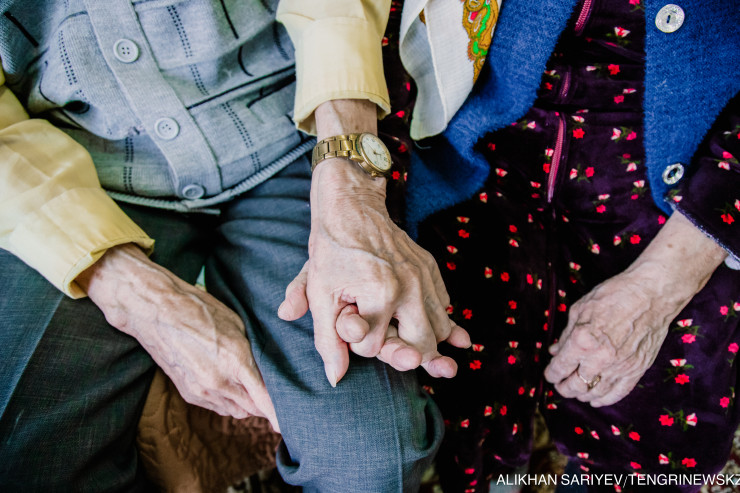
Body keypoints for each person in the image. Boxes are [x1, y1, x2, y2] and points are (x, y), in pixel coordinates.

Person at [0, 1, 471, 491]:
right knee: (23, 463)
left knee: (371, 462)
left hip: (290, 133)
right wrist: (129, 291)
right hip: (69, 179)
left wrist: (348, 185)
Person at [295, 0, 739, 491]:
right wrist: (355, 202)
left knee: (661, 435)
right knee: (458, 380)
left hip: (687, 180)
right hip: (471, 146)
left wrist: (662, 283)